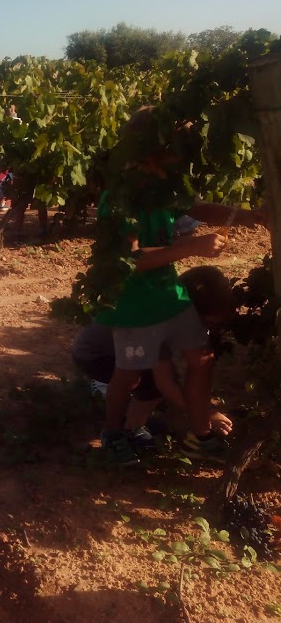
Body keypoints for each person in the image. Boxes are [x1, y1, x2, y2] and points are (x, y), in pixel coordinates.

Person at [95, 107, 265, 466]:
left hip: (170, 296)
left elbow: (198, 208)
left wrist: (244, 216)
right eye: (178, 147)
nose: (185, 156)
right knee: (128, 376)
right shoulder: (120, 199)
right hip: (134, 305)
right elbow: (131, 260)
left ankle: (200, 436)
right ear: (151, 150)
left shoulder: (165, 188)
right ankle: (113, 433)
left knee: (201, 360)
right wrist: (192, 247)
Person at [73, 266, 235, 457]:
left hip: (126, 349)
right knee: (144, 383)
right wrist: (204, 414)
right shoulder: (157, 322)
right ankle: (119, 432)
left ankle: (131, 424)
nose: (207, 331)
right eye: (207, 324)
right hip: (96, 356)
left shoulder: (171, 310)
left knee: (155, 380)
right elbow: (165, 384)